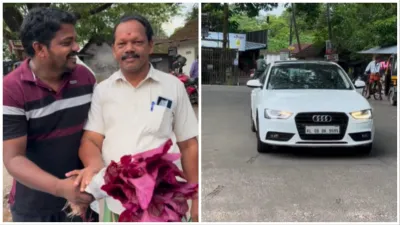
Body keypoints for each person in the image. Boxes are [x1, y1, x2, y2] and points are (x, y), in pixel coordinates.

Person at [65, 14, 199, 222]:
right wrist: (93, 166)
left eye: (137, 42)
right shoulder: (103, 90)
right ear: (114, 50)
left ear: (150, 46)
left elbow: (189, 145)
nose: (129, 49)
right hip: (117, 202)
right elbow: (90, 140)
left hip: (164, 203)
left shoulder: (173, 86)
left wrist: (197, 198)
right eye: (122, 44)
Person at [3, 7, 98, 222]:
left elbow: (95, 134)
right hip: (34, 208)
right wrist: (59, 188)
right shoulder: (11, 89)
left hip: (84, 200)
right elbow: (13, 158)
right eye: (66, 42)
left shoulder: (85, 78)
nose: (76, 47)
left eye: (75, 40)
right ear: (40, 49)